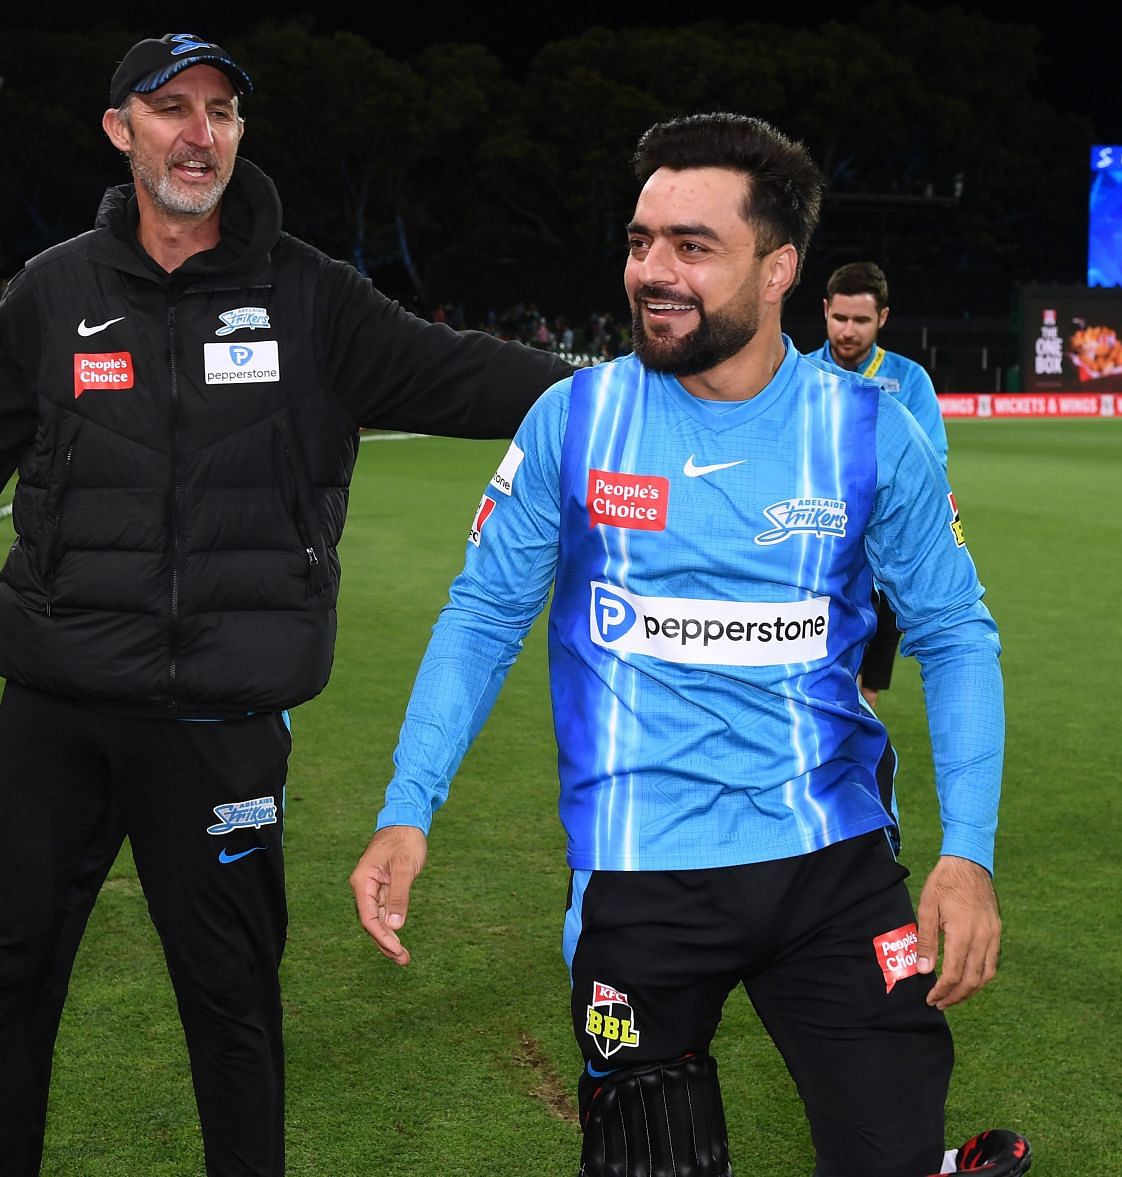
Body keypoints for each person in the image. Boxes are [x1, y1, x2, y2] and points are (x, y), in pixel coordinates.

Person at [0, 32, 571, 1177]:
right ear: (121, 130)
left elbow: (476, 374)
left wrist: (644, 386)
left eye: (221, 111)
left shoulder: (312, 297)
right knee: (8, 978)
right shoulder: (57, 291)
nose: (200, 133)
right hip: (57, 711)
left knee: (231, 1005)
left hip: (220, 724)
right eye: (172, 108)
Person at [351, 114, 1022, 1177]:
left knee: (890, 1156)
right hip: (641, 875)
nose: (653, 272)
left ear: (778, 269)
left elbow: (954, 629)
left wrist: (968, 848)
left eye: (691, 246)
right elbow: (482, 616)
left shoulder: (865, 430)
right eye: (640, 241)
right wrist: (407, 805)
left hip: (833, 866)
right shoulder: (575, 421)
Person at [808, 261, 949, 707]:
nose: (848, 331)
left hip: (881, 549)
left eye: (861, 320)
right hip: (814, 547)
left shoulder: (909, 381)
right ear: (825, 311)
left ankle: (857, 747)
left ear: (882, 319)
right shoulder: (798, 374)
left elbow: (932, 464)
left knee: (865, 688)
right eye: (840, 318)